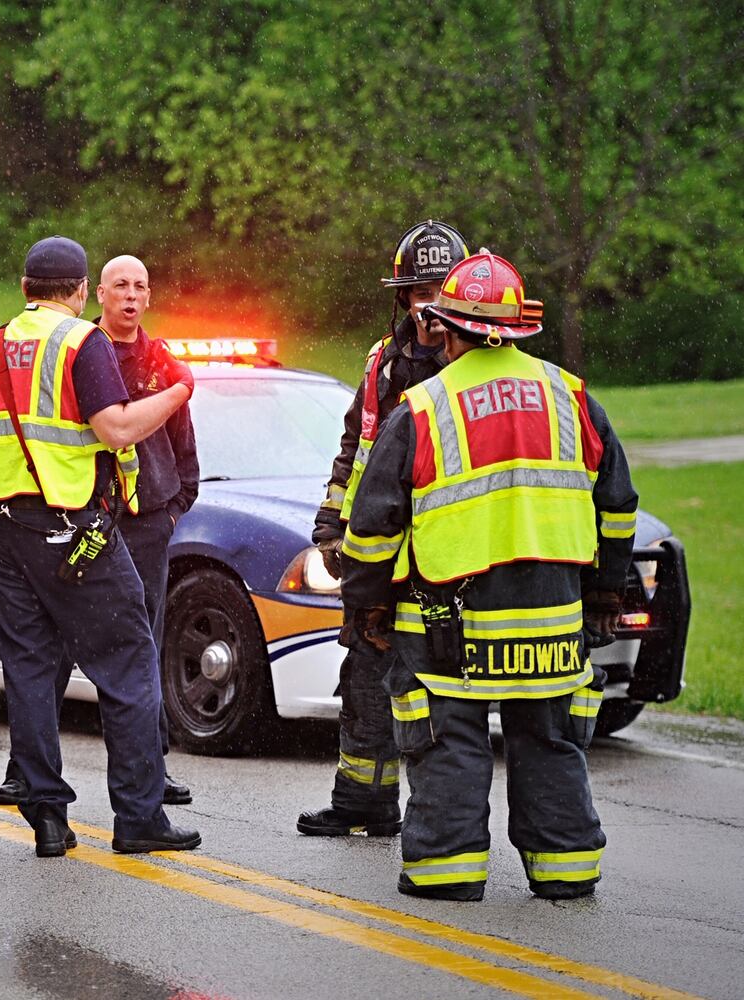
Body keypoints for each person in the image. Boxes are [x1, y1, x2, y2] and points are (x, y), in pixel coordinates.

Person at [341, 251, 637, 901]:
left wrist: (366, 607)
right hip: (552, 620)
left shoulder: (424, 407)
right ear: (517, 328)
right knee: (549, 741)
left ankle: (448, 875)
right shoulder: (573, 396)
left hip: (449, 623)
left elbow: (373, 524)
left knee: (448, 743)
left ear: (446, 327)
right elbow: (617, 505)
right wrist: (605, 593)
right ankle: (565, 874)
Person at [0, 235, 202, 858]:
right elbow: (116, 427)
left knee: (31, 667)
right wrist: (179, 390)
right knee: (129, 656)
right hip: (65, 522)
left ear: (22, 289)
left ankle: (46, 815)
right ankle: (140, 815)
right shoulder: (80, 341)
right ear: (80, 292)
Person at [297, 220, 469, 838]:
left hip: (444, 560)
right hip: (378, 553)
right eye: (416, 293)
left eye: (439, 292)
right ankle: (362, 803)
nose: (427, 306)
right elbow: (358, 447)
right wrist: (330, 520)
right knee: (366, 676)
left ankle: (443, 821)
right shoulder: (382, 361)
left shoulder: (473, 368)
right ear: (400, 296)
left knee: (430, 689)